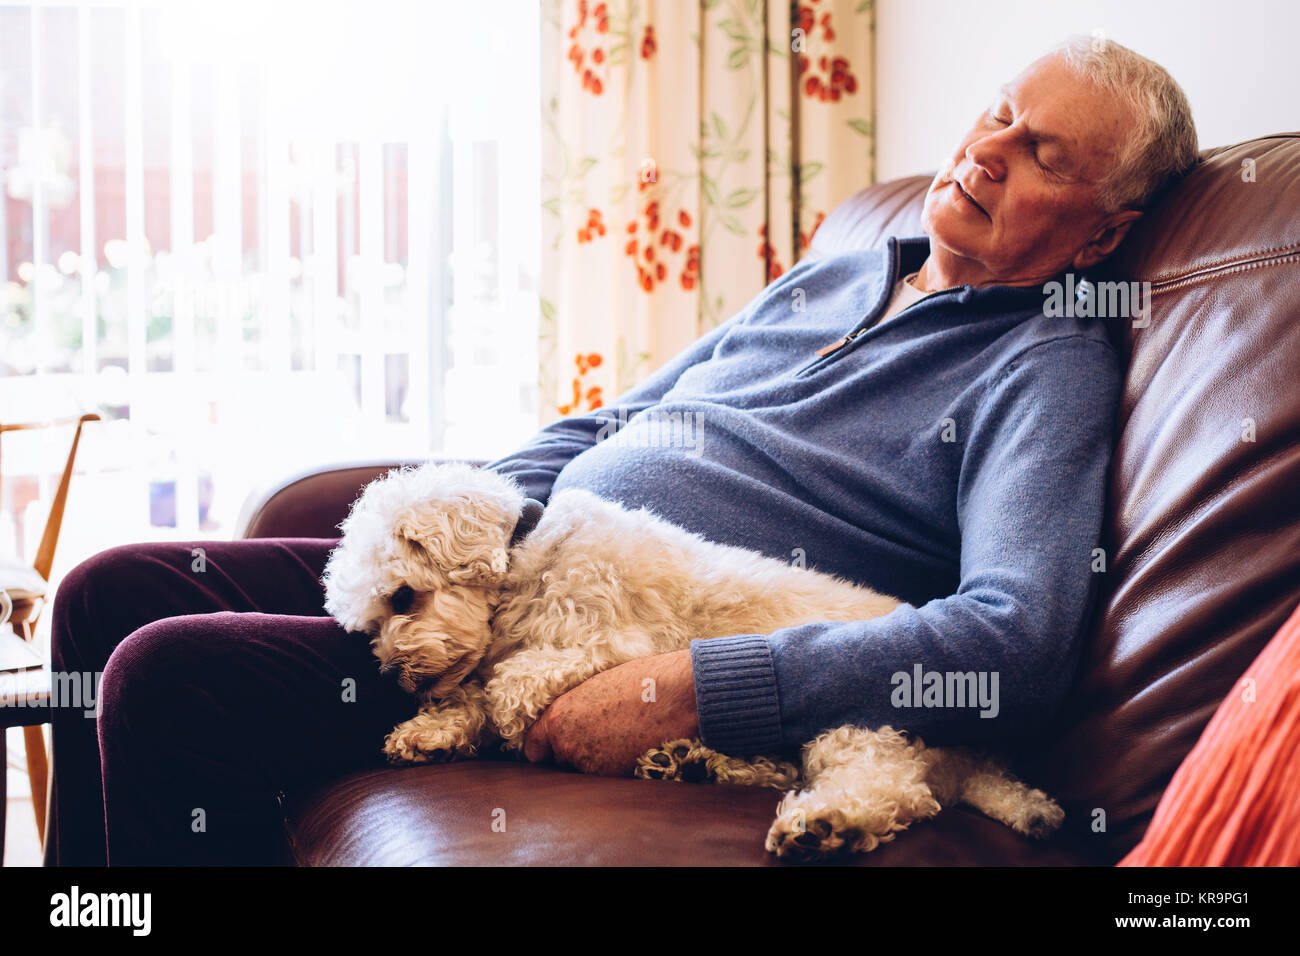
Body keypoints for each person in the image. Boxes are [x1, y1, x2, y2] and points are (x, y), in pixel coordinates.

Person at [44, 36, 1197, 865]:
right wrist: (485, 517)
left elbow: (1015, 638)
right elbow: (611, 421)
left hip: (604, 634)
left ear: (1102, 229)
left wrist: (694, 685)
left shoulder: (1045, 366)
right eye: (999, 110)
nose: (989, 150)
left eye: (1041, 151)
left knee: (166, 671)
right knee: (109, 587)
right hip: (518, 566)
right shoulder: (853, 261)